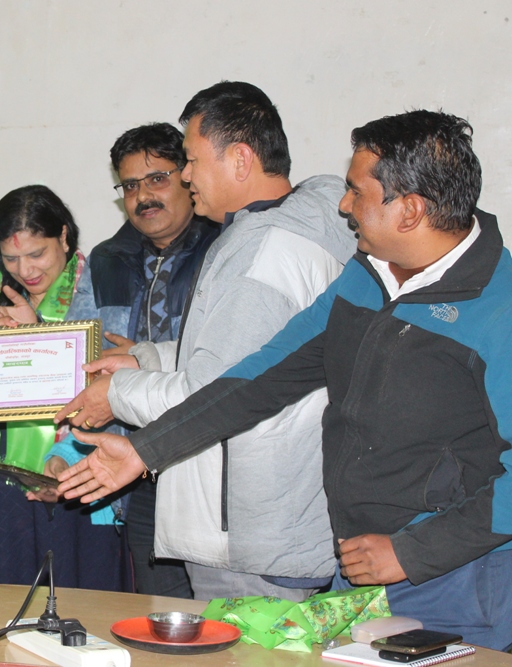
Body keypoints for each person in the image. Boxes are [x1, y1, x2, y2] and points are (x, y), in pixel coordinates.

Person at [58, 110, 512, 650]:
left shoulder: (499, 311)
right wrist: (145, 450)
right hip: (357, 568)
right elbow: (259, 378)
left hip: (460, 577)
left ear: (409, 210)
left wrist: (412, 552)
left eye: (357, 192)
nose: (343, 206)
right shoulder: (365, 277)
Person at [56, 81, 355, 601]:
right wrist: (144, 358)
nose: (187, 174)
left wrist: (117, 394)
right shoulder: (289, 230)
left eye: (191, 161)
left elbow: (216, 390)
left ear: (239, 159)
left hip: (246, 529)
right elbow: (257, 356)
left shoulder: (263, 255)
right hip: (272, 508)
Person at [63, 123, 218, 597]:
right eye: (130, 185)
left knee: (220, 613)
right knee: (162, 613)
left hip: (207, 462)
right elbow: (79, 359)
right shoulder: (107, 260)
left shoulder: (224, 247)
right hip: (137, 471)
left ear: (187, 176)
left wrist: (144, 359)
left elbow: (227, 360)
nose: (143, 196)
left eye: (157, 179)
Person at [0, 184, 131, 591]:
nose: (25, 270)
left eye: (37, 254)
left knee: (80, 607)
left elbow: (116, 384)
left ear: (64, 237)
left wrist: (34, 335)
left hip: (79, 478)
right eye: (10, 258)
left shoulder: (102, 288)